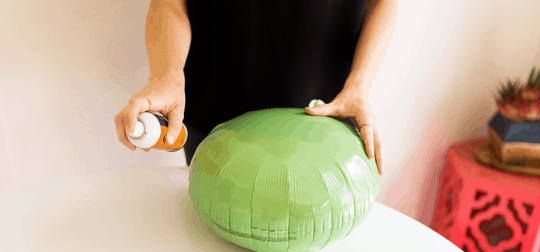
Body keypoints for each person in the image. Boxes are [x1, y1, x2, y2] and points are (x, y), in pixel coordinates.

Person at [114, 0, 398, 176]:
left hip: (323, 115)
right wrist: (166, 75)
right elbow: (169, 2)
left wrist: (359, 86)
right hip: (215, 110)